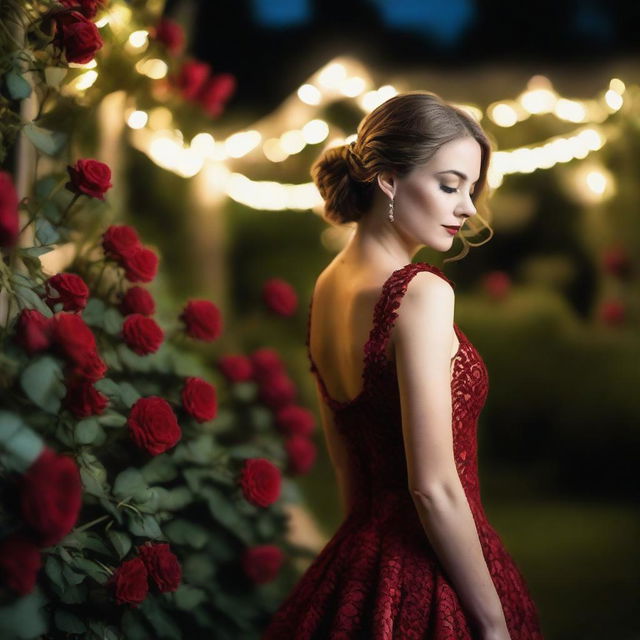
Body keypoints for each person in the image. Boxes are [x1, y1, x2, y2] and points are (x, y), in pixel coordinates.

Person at [262, 91, 544, 640]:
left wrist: (363, 584)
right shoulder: (420, 293)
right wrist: (492, 626)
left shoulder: (327, 286)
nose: (466, 206)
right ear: (388, 179)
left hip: (357, 561)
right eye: (449, 184)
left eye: (471, 188)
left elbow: (347, 466)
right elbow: (433, 487)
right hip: (431, 575)